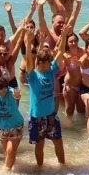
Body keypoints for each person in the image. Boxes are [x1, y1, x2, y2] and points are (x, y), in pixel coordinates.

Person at [25, 27, 66, 166]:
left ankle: (63, 167)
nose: (51, 64)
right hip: (37, 117)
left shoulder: (50, 71)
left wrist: (64, 35)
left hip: (51, 115)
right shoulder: (33, 76)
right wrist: (28, 42)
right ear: (41, 63)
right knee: (39, 145)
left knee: (58, 142)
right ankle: (40, 169)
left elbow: (60, 52)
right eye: (49, 62)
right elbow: (29, 61)